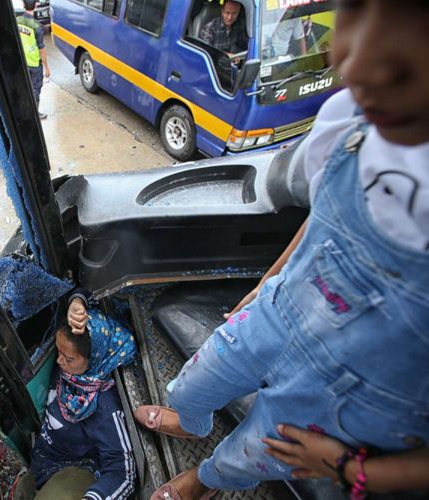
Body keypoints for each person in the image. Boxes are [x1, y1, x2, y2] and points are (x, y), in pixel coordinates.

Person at [134, 1, 429, 499]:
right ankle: (192, 422)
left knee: (256, 451)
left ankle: (203, 482)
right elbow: (326, 216)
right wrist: (266, 283)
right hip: (281, 310)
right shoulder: (347, 120)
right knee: (190, 385)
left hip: (354, 396)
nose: (355, 64)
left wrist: (348, 469)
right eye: (357, 8)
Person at [30, 293, 137, 500]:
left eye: (68, 358)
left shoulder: (105, 409)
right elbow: (73, 286)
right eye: (58, 350)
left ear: (94, 358)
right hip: (42, 460)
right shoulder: (74, 372)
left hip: (70, 469)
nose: (59, 361)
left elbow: (123, 472)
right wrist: (77, 302)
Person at [17, 0, 51, 120]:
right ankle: (34, 114)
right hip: (35, 64)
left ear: (23, 5)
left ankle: (23, 111)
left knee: (24, 87)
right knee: (35, 89)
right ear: (36, 6)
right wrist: (46, 67)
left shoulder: (17, 21)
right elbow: (42, 49)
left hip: (22, 62)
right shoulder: (36, 26)